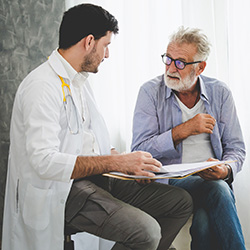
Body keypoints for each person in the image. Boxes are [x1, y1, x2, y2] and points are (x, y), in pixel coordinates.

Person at [1, 5, 193, 250]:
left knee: (180, 202)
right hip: (63, 188)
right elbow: (44, 161)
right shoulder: (42, 86)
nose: (107, 55)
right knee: (146, 232)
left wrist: (124, 161)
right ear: (89, 42)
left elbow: (85, 138)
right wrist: (116, 163)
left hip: (96, 178)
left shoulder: (79, 82)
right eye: (106, 45)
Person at [131, 26, 246, 250]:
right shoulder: (149, 92)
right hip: (169, 182)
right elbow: (139, 149)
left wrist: (225, 169)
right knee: (219, 190)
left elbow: (236, 148)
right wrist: (182, 131)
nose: (171, 68)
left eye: (180, 62)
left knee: (202, 222)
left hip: (211, 179)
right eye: (168, 59)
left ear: (200, 67)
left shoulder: (220, 93)